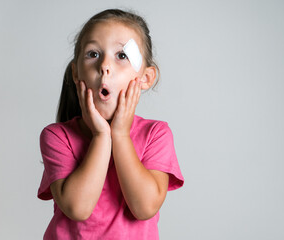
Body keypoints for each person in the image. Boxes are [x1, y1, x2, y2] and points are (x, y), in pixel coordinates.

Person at [37, 8, 184, 240]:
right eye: (93, 54)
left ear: (145, 78)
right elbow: (77, 208)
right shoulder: (57, 136)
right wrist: (101, 137)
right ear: (76, 73)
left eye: (122, 55)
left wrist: (121, 135)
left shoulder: (156, 134)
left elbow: (144, 207)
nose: (105, 65)